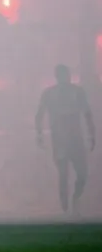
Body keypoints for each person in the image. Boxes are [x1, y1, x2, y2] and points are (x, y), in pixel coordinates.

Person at [35, 64, 95, 214]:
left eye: (65, 75)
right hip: (59, 141)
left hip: (76, 140)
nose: (64, 78)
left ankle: (75, 197)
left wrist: (91, 134)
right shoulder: (49, 94)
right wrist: (39, 134)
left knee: (82, 173)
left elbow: (87, 114)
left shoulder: (77, 92)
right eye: (61, 75)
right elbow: (39, 115)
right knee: (63, 174)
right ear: (57, 77)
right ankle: (65, 207)